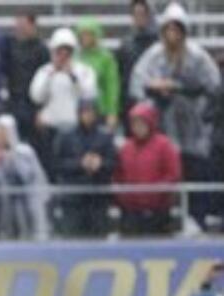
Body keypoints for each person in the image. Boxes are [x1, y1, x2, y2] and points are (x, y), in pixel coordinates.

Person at [128, 2, 220, 227]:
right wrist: (155, 89)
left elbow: (215, 86)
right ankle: (168, 220)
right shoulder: (153, 56)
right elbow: (136, 86)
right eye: (168, 30)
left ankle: (197, 219)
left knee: (195, 173)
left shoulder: (197, 56)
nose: (172, 35)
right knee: (165, 175)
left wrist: (182, 87)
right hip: (163, 127)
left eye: (177, 30)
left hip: (194, 128)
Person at [114, 102, 183, 237]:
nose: (137, 127)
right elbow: (118, 175)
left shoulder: (164, 145)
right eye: (134, 123)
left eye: (141, 123)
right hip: (131, 212)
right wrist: (124, 197)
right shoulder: (126, 148)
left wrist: (155, 193)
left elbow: (173, 174)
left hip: (158, 212)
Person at [54, 99, 117, 238]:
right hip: (73, 200)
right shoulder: (66, 137)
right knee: (73, 239)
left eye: (91, 112)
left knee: (99, 241)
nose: (88, 115)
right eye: (84, 112)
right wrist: (80, 164)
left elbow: (113, 163)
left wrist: (100, 164)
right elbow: (57, 164)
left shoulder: (105, 137)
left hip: (98, 199)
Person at [0, 114, 48, 240]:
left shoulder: (24, 151)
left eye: (2, 133)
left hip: (24, 203)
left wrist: (10, 159)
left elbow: (28, 176)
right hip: (0, 205)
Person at [29, 28, 98, 137]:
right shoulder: (45, 71)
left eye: (67, 51)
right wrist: (50, 75)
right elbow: (36, 97)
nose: (63, 55)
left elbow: (89, 95)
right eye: (59, 51)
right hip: (49, 127)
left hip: (76, 129)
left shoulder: (84, 70)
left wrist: (72, 76)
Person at [3, 13, 48, 140]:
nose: (20, 29)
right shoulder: (10, 47)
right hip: (15, 101)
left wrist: (41, 109)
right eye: (18, 25)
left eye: (23, 25)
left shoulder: (42, 50)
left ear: (33, 26)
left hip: (33, 104)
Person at [76, 21, 120, 129]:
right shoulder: (75, 56)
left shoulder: (106, 58)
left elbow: (112, 86)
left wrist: (112, 112)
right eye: (83, 34)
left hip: (100, 110)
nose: (85, 38)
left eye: (89, 34)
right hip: (78, 110)